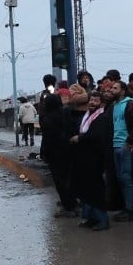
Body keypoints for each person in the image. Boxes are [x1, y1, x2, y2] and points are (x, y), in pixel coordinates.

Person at [70, 90, 112, 230]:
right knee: (85, 189)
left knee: (95, 190)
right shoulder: (86, 116)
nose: (92, 103)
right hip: (84, 159)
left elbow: (98, 136)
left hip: (95, 159)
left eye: (95, 100)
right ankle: (90, 218)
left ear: (102, 103)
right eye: (91, 100)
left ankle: (102, 220)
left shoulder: (102, 118)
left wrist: (80, 138)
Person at [38, 74, 76, 218]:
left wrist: (43, 154)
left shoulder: (47, 119)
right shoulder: (67, 113)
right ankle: (73, 203)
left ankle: (68, 207)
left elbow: (47, 138)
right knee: (70, 178)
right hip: (68, 150)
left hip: (55, 153)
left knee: (60, 181)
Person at [108, 80, 133, 222]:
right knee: (121, 178)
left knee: (126, 178)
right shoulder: (113, 106)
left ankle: (130, 209)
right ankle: (125, 207)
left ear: (122, 91)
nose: (111, 91)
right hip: (115, 145)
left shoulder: (130, 104)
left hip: (125, 146)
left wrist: (130, 142)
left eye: (115, 88)